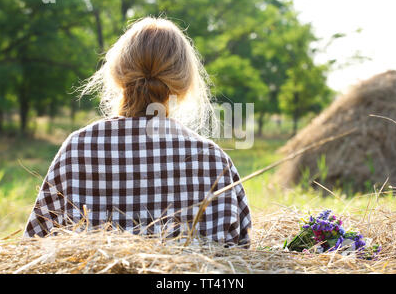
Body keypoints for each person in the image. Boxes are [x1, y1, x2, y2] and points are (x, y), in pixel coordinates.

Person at [23, 17, 251, 247]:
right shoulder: (214, 162)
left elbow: (34, 249)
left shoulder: (78, 148)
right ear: (183, 82)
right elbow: (241, 256)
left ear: (118, 73)